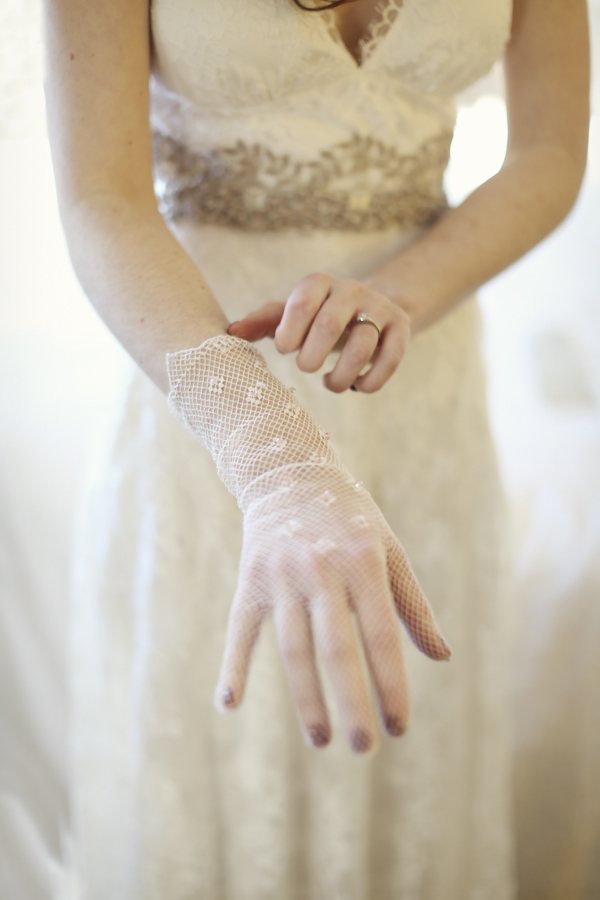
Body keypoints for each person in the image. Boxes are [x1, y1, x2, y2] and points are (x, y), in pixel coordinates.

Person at [43, 0, 589, 897]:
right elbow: (101, 200)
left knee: (408, 734)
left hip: (419, 364)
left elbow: (551, 152)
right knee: (231, 742)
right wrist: (276, 463)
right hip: (206, 371)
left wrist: (398, 298)